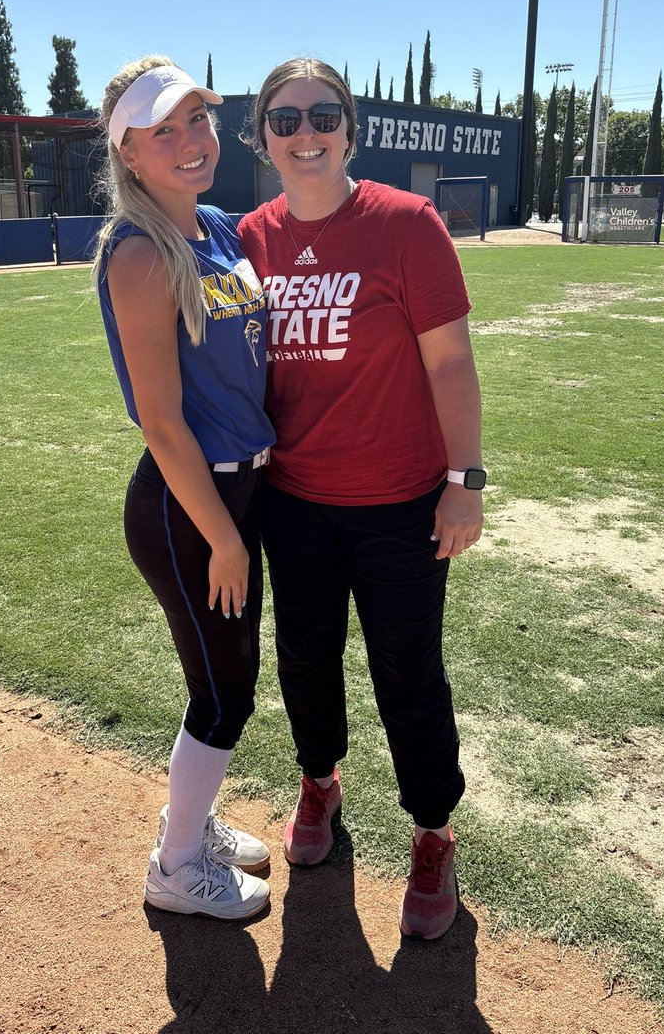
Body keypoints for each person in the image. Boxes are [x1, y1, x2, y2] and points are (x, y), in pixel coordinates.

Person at [238, 58, 484, 940]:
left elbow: (451, 361)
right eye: (284, 117)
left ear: (350, 126)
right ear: (260, 137)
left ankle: (432, 833)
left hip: (399, 505)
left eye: (323, 113)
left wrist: (464, 484)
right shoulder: (247, 240)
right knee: (303, 658)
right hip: (293, 500)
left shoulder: (406, 224)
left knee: (407, 675)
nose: (306, 132)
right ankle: (319, 782)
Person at [94, 56, 275, 921]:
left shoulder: (217, 229)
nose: (189, 140)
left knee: (228, 674)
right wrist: (227, 538)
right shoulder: (140, 253)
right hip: (186, 508)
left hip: (232, 497)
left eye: (196, 120)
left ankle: (190, 824)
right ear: (128, 153)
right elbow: (161, 423)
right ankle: (174, 867)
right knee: (223, 689)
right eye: (162, 130)